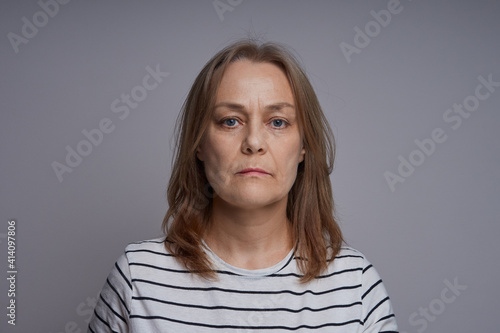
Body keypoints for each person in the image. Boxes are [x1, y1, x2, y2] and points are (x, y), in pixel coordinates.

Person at [88, 39, 399, 332]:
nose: (253, 142)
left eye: (278, 122)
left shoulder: (355, 285)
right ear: (199, 143)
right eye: (230, 121)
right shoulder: (137, 278)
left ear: (304, 145)